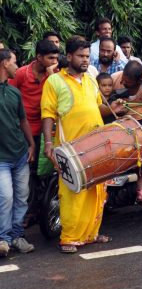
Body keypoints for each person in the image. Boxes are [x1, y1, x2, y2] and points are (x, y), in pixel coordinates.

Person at [41, 39, 112, 253]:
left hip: (95, 146)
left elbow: (97, 107)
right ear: (69, 56)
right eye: (81, 56)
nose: (85, 60)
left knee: (97, 190)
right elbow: (48, 114)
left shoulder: (91, 80)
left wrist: (114, 107)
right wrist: (47, 143)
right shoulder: (54, 81)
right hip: (70, 148)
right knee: (72, 192)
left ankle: (91, 233)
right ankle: (69, 238)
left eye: (87, 57)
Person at [9, 39, 59, 210]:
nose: (54, 62)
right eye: (50, 58)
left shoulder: (54, 74)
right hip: (21, 129)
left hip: (44, 129)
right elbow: (9, 96)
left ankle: (36, 209)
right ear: (39, 57)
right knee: (24, 171)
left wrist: (53, 76)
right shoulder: (22, 73)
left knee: (41, 171)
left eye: (56, 58)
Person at [0, 49, 36, 257]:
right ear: (4, 63)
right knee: (5, 197)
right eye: (14, 62)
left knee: (22, 198)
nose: (17, 66)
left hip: (20, 154)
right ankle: (3, 239)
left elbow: (23, 121)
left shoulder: (14, 92)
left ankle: (16, 236)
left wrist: (31, 145)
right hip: (2, 158)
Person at [110, 61, 142, 202]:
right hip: (121, 121)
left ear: (139, 80)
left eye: (127, 82)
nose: (122, 82)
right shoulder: (114, 78)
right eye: (123, 78)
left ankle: (141, 183)